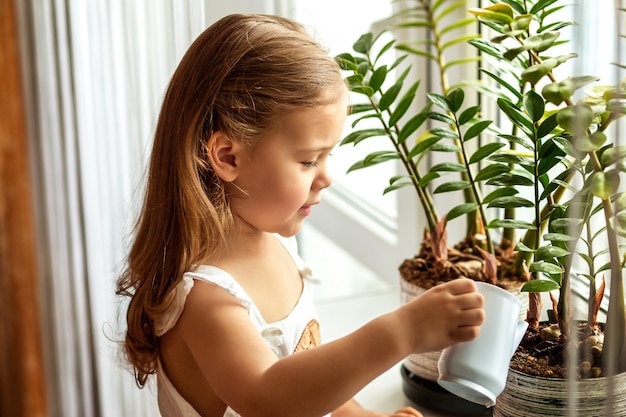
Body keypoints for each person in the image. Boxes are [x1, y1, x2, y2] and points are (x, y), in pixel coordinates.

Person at [116, 13, 485, 417]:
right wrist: (402, 332)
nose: (327, 176)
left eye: (329, 155)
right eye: (309, 160)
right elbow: (270, 398)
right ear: (227, 156)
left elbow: (308, 371)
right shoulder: (205, 300)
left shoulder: (276, 250)